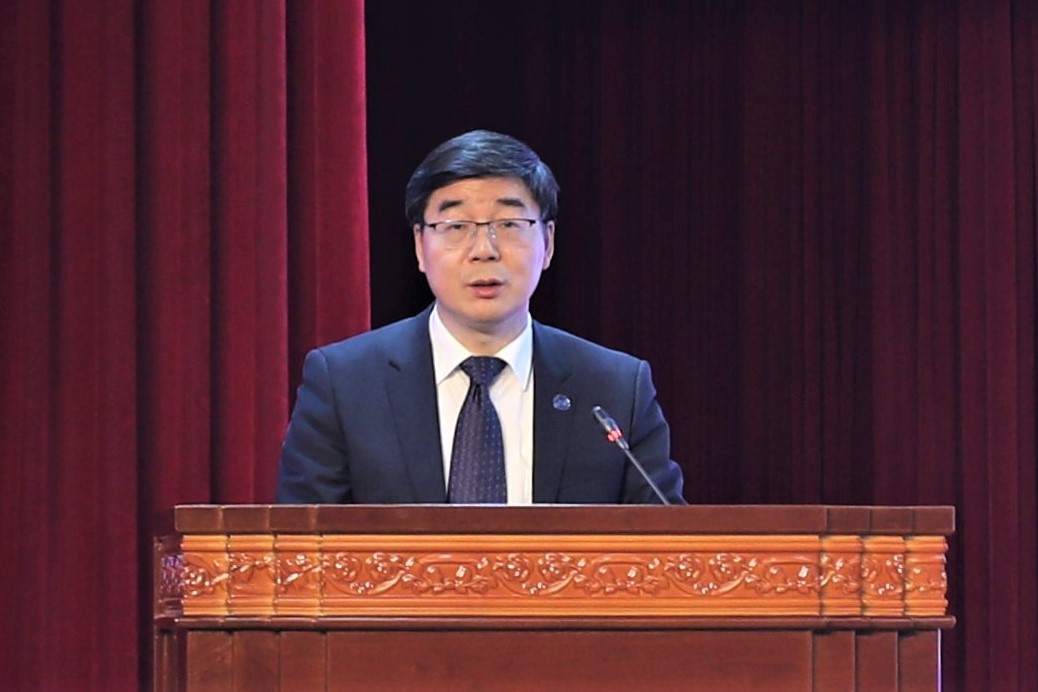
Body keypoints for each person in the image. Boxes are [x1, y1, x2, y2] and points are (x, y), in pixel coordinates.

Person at [276, 130, 684, 504]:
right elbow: (301, 543)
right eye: (456, 226)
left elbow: (669, 543)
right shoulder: (345, 383)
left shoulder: (615, 387)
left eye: (509, 224)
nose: (484, 250)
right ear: (420, 245)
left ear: (548, 243)